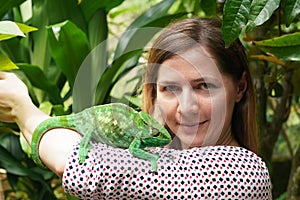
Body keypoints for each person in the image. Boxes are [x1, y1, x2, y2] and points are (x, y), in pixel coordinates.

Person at [0, 18, 271, 199]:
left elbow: (86, 167)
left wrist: (22, 109)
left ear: (241, 87)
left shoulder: (242, 171)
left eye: (204, 86)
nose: (186, 108)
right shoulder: (156, 154)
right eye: (170, 89)